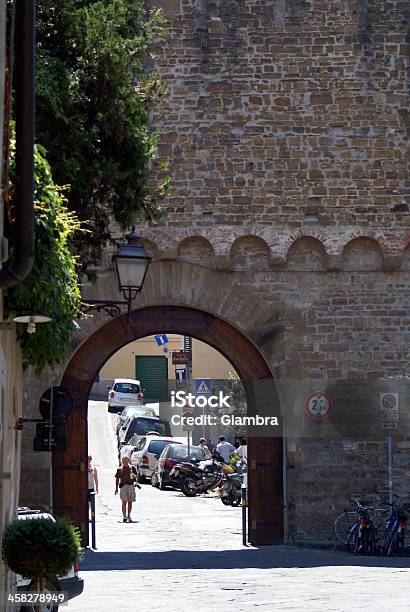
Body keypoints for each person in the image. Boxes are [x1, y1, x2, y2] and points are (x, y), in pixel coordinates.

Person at [115, 455, 139, 523]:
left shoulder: (132, 468)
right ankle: (124, 516)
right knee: (124, 502)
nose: (124, 461)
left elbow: (137, 476)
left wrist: (133, 475)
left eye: (125, 460)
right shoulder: (120, 469)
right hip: (123, 486)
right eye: (123, 460)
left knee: (130, 501)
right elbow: (117, 479)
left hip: (131, 486)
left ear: (128, 461)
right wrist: (116, 488)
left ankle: (129, 515)